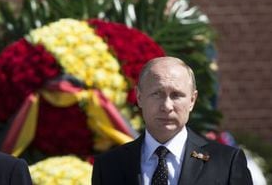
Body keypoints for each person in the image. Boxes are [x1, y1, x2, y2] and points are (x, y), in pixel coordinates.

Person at [92, 56, 252, 185]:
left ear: (192, 100)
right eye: (157, 94)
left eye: (176, 95)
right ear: (139, 97)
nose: (167, 106)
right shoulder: (108, 165)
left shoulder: (226, 163)